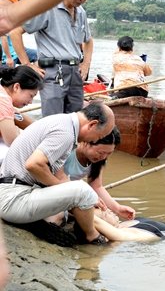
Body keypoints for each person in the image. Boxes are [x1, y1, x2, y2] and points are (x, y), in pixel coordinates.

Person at [0, 102, 115, 245]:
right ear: (92, 124)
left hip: (16, 192)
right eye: (100, 135)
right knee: (83, 191)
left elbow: (58, 175)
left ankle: (37, 224)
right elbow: (33, 164)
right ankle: (92, 236)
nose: (96, 140)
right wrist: (63, 189)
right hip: (13, 198)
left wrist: (69, 192)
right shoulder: (65, 132)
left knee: (68, 209)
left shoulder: (63, 123)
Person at [10, 0, 94, 116]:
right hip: (54, 71)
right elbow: (15, 31)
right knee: (53, 119)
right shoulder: (47, 8)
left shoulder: (81, 12)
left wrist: (86, 63)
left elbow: (88, 41)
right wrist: (26, 64)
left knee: (76, 118)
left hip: (75, 71)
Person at [64, 126, 136, 220]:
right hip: (58, 192)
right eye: (101, 152)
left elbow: (96, 186)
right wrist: (88, 197)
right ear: (86, 142)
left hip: (74, 196)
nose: (104, 157)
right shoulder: (67, 151)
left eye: (109, 153)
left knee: (105, 215)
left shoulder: (99, 159)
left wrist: (117, 208)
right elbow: (56, 182)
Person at [0, 65, 44, 163]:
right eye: (31, 96)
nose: (30, 102)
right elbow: (12, 141)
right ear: (17, 87)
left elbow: (19, 117)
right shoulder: (3, 101)